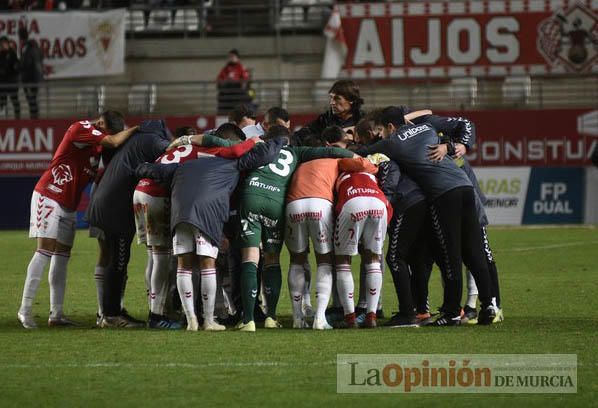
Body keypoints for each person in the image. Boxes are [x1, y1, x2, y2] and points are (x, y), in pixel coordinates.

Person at [361, 106, 496, 326]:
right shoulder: (427, 126)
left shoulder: (392, 143)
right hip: (464, 186)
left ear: (390, 127)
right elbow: (460, 126)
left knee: (450, 253)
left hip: (444, 194)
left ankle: (452, 312)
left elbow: (362, 152)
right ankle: (489, 305)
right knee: (473, 250)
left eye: (382, 130)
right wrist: (453, 145)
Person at [136, 135, 284, 331]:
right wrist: (279, 139)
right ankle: (208, 320)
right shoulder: (233, 164)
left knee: (184, 265)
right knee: (207, 264)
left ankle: (191, 321)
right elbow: (264, 155)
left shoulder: (184, 166)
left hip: (180, 213)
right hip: (207, 214)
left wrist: (141, 167)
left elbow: (151, 170)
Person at [17, 111, 136, 329]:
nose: (101, 129)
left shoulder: (97, 150)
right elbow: (112, 140)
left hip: (68, 206)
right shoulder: (81, 127)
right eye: (102, 125)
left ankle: (56, 314)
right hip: (49, 194)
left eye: (105, 128)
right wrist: (137, 129)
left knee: (62, 257)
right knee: (44, 251)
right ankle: (24, 310)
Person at [237, 125, 355, 332]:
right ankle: (271, 318)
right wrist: (354, 154)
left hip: (251, 196)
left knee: (250, 257)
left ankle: (248, 320)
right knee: (272, 259)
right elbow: (329, 151)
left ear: (267, 138)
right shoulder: (296, 152)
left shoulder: (259, 148)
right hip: (276, 202)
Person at [87, 120, 171, 328]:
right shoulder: (151, 140)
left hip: (104, 203)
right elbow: (172, 151)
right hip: (114, 209)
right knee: (117, 260)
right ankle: (111, 315)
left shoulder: (133, 142)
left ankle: (111, 311)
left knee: (114, 259)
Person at [333, 157, 394, 329]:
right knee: (374, 258)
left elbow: (336, 207)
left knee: (343, 261)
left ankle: (350, 318)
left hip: (353, 202)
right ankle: (372, 315)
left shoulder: (339, 172)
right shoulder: (371, 174)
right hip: (379, 203)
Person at [293, 80, 365, 145]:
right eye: (331, 97)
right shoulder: (324, 120)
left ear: (351, 99)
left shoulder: (363, 121)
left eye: (337, 98)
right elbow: (299, 136)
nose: (332, 103)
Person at [18, 27, 43, 119]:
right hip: (35, 77)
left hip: (29, 78)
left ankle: (34, 118)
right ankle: (34, 117)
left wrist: (19, 66)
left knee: (31, 99)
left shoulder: (26, 47)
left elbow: (26, 63)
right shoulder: (35, 46)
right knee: (33, 99)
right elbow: (41, 57)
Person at [217, 49, 250, 114]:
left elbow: (245, 79)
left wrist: (241, 84)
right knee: (221, 96)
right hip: (227, 90)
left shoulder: (241, 67)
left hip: (237, 91)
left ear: (237, 57)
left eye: (232, 56)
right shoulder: (226, 68)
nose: (230, 58)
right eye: (229, 57)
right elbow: (219, 78)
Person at [0, 36, 20, 118]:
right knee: (2, 101)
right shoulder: (1, 54)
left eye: (3, 43)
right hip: (2, 83)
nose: (2, 45)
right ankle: (2, 118)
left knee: (15, 100)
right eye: (1, 44)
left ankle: (17, 118)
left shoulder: (12, 53)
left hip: (11, 82)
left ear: (7, 43)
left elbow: (16, 65)